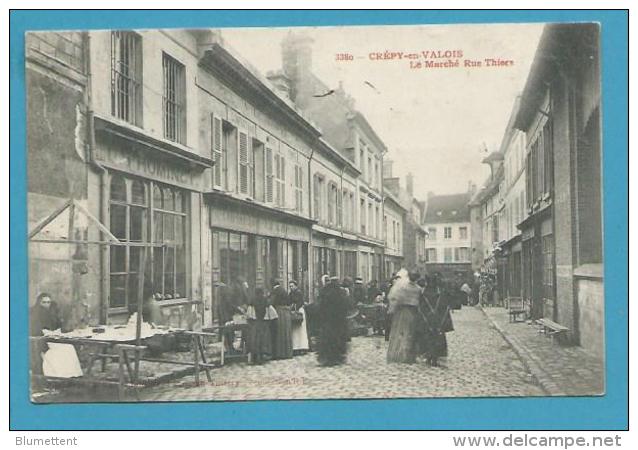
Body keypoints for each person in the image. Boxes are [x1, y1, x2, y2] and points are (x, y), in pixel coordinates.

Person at [386, 270, 422, 364]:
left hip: (402, 311)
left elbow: (396, 299)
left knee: (399, 332)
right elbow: (419, 302)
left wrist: (393, 309)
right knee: (410, 333)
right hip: (413, 312)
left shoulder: (402, 287)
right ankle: (409, 355)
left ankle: (398, 354)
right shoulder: (418, 289)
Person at [419, 274, 454, 366]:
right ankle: (435, 356)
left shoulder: (423, 294)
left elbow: (420, 308)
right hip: (438, 319)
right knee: (438, 337)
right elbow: (445, 307)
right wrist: (444, 320)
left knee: (428, 337)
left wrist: (423, 318)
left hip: (427, 319)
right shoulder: (441, 293)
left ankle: (429, 355)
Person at [316, 276, 349, 366]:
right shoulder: (341, 292)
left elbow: (320, 305)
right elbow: (345, 306)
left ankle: (326, 358)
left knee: (327, 339)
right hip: (338, 321)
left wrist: (322, 317)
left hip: (327, 320)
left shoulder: (325, 291)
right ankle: (337, 358)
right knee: (337, 339)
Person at [30, 293, 62, 376]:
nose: (46, 305)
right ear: (39, 303)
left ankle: (65, 375)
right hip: (40, 340)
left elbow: (58, 325)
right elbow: (35, 329)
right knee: (59, 350)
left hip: (53, 338)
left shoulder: (52, 313)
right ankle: (55, 375)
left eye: (48, 302)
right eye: (44, 302)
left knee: (68, 347)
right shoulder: (34, 313)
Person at [246, 288, 272, 365]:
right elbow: (270, 312)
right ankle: (262, 356)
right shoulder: (265, 300)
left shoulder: (252, 300)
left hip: (255, 323)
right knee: (263, 339)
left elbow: (249, 314)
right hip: (263, 322)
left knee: (255, 339)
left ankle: (255, 357)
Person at [270, 278, 293, 359]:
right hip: (286, 313)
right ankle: (287, 353)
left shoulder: (275, 291)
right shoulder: (283, 290)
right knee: (286, 332)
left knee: (280, 332)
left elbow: (272, 302)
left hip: (279, 312)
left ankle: (280, 353)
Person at [289, 280, 309, 353]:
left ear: (296, 286)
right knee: (295, 331)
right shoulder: (291, 293)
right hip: (294, 312)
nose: (291, 288)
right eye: (290, 286)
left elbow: (300, 302)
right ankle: (296, 347)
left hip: (299, 311)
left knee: (301, 331)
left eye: (292, 286)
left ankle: (303, 347)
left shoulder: (299, 293)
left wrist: (295, 308)